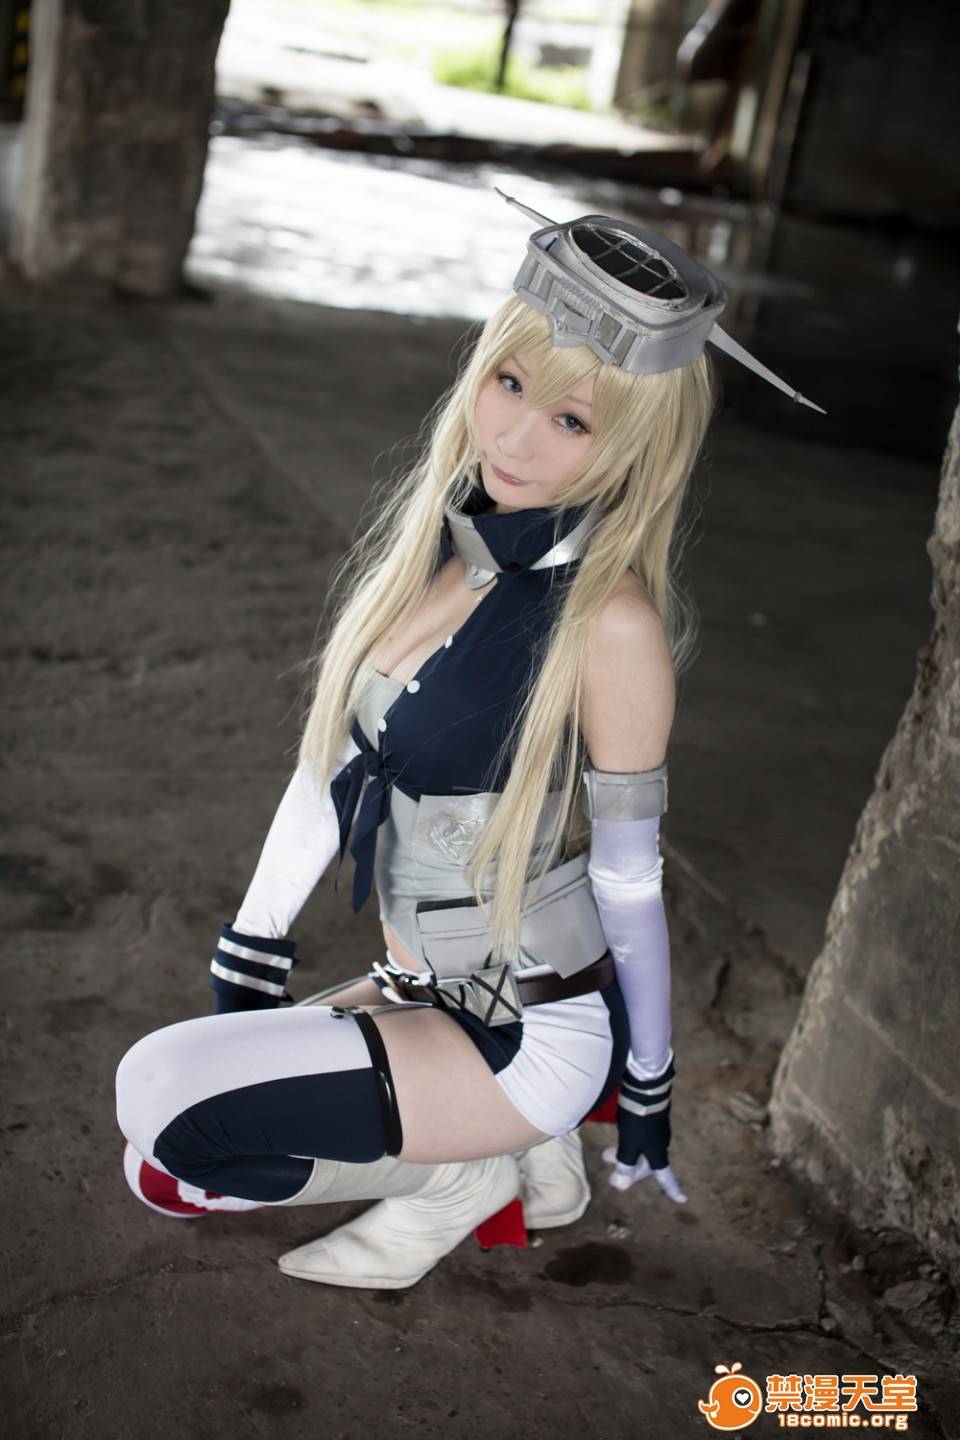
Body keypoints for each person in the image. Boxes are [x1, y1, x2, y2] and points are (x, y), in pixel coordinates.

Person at [115, 189, 823, 1289]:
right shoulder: (444, 551)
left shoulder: (612, 625)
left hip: (529, 1032)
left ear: (632, 448)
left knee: (166, 1109)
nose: (514, 437)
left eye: (572, 421)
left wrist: (648, 1084)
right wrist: (248, 950)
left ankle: (472, 1172)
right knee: (155, 1151)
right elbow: (330, 768)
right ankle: (497, 1159)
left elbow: (629, 884)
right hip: (417, 988)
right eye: (510, 382)